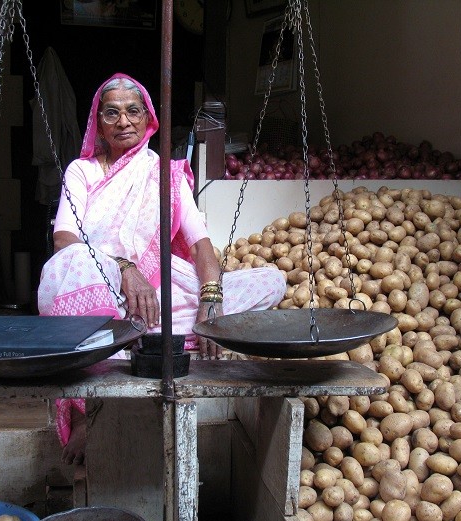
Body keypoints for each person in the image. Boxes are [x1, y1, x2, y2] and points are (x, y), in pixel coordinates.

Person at [38, 73, 286, 465]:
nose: (124, 121)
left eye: (133, 111)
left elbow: (201, 242)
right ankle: (89, 413)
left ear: (148, 119)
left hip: (160, 298)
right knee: (64, 267)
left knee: (270, 281)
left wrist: (211, 303)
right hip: (99, 296)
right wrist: (121, 267)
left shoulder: (164, 173)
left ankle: (149, 337)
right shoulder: (81, 172)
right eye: (112, 113)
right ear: (98, 123)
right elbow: (64, 240)